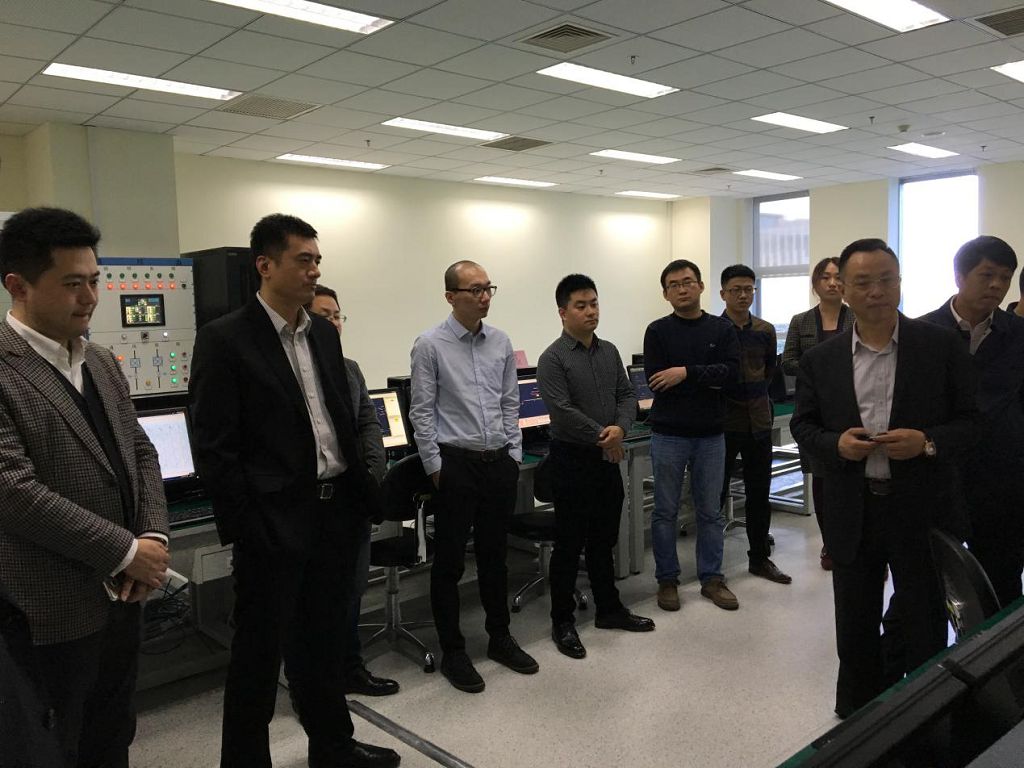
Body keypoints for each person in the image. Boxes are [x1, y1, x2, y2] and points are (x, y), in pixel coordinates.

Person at [190, 214, 399, 768]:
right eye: (303, 260)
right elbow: (214, 448)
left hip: (334, 515)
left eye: (317, 260)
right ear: (265, 265)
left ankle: (333, 748)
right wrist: (248, 529)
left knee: (323, 644)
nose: (314, 271)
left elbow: (340, 421)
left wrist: (360, 496)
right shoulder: (225, 339)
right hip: (272, 526)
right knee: (258, 657)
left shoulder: (323, 336)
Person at [0, 207, 170, 768]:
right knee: (52, 745)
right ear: (18, 286)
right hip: (48, 609)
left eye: (95, 280)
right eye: (73, 284)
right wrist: (125, 551)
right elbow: (13, 490)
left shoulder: (99, 360)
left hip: (124, 599)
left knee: (112, 735)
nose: (91, 298)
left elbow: (141, 451)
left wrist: (152, 538)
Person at [791, 238, 978, 718]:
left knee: (924, 621)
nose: (876, 291)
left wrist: (927, 442)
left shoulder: (940, 347)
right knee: (854, 626)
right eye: (863, 282)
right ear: (842, 289)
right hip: (853, 509)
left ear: (899, 283)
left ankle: (924, 715)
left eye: (885, 280)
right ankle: (857, 719)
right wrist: (836, 444)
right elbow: (803, 425)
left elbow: (972, 422)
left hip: (920, 508)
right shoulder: (821, 360)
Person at [409, 260, 537, 693]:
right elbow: (421, 412)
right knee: (448, 563)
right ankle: (454, 651)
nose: (484, 297)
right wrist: (435, 467)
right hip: (455, 465)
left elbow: (509, 403)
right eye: (475, 290)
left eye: (488, 289)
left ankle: (500, 638)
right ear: (451, 297)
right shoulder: (430, 345)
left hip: (497, 462)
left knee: (494, 557)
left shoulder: (500, 341)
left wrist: (513, 454)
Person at [536, 274, 655, 660]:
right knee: (569, 544)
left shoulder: (609, 351)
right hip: (572, 459)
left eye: (594, 303)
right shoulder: (553, 358)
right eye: (581, 306)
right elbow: (562, 410)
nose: (590, 311)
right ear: (563, 312)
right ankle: (562, 621)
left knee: (604, 538)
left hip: (607, 456)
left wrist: (621, 428)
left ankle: (609, 609)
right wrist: (607, 436)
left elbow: (627, 394)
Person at [919, 236, 1024, 607]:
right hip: (939, 473)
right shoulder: (922, 333)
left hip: (1002, 480)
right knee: (927, 582)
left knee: (1003, 579)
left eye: (1005, 278)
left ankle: (1002, 646)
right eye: (987, 275)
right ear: (960, 276)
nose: (996, 285)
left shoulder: (1018, 334)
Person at [307, 285, 399, 697]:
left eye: (337, 315)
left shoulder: (350, 369)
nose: (332, 322)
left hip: (353, 500)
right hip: (314, 505)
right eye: (323, 315)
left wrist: (371, 478)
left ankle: (350, 667)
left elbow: (369, 426)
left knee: (352, 590)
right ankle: (314, 682)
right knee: (315, 598)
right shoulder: (292, 372)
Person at [643, 259, 741, 612]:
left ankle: (712, 578)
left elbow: (731, 375)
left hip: (711, 435)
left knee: (710, 512)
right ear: (665, 293)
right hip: (669, 433)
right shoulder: (657, 331)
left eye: (687, 282)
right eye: (674, 285)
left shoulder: (721, 329)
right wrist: (706, 379)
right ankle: (667, 580)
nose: (682, 289)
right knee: (665, 511)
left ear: (700, 286)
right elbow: (656, 381)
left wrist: (685, 373)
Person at [719, 265, 791, 586]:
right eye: (736, 289)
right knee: (715, 495)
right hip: (723, 424)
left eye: (749, 289)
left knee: (759, 494)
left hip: (758, 421)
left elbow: (769, 371)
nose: (743, 295)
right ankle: (711, 567)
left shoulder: (765, 330)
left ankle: (759, 558)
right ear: (723, 293)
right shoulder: (714, 330)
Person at [782, 256, 855, 572]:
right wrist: (819, 371)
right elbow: (787, 361)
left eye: (838, 277)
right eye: (825, 277)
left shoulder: (857, 317)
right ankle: (830, 544)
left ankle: (861, 545)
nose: (832, 283)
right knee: (822, 481)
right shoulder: (801, 321)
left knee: (855, 481)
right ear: (815, 284)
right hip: (815, 412)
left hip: (854, 409)